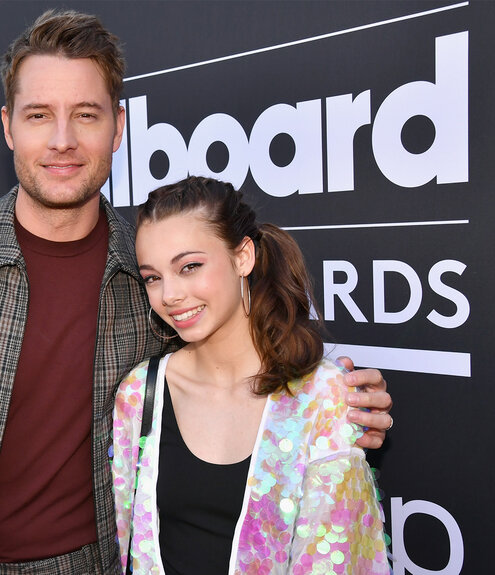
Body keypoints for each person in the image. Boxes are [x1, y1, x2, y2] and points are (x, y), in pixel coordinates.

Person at [0, 10, 393, 575]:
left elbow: (243, 361)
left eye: (85, 115)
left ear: (118, 127)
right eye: (38, 115)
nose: (62, 140)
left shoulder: (150, 275)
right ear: (6, 126)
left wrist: (332, 398)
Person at [112, 176, 390, 574]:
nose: (169, 295)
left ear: (243, 257)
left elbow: (337, 559)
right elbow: (125, 543)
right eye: (153, 277)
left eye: (189, 267)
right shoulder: (140, 393)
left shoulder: (321, 397)